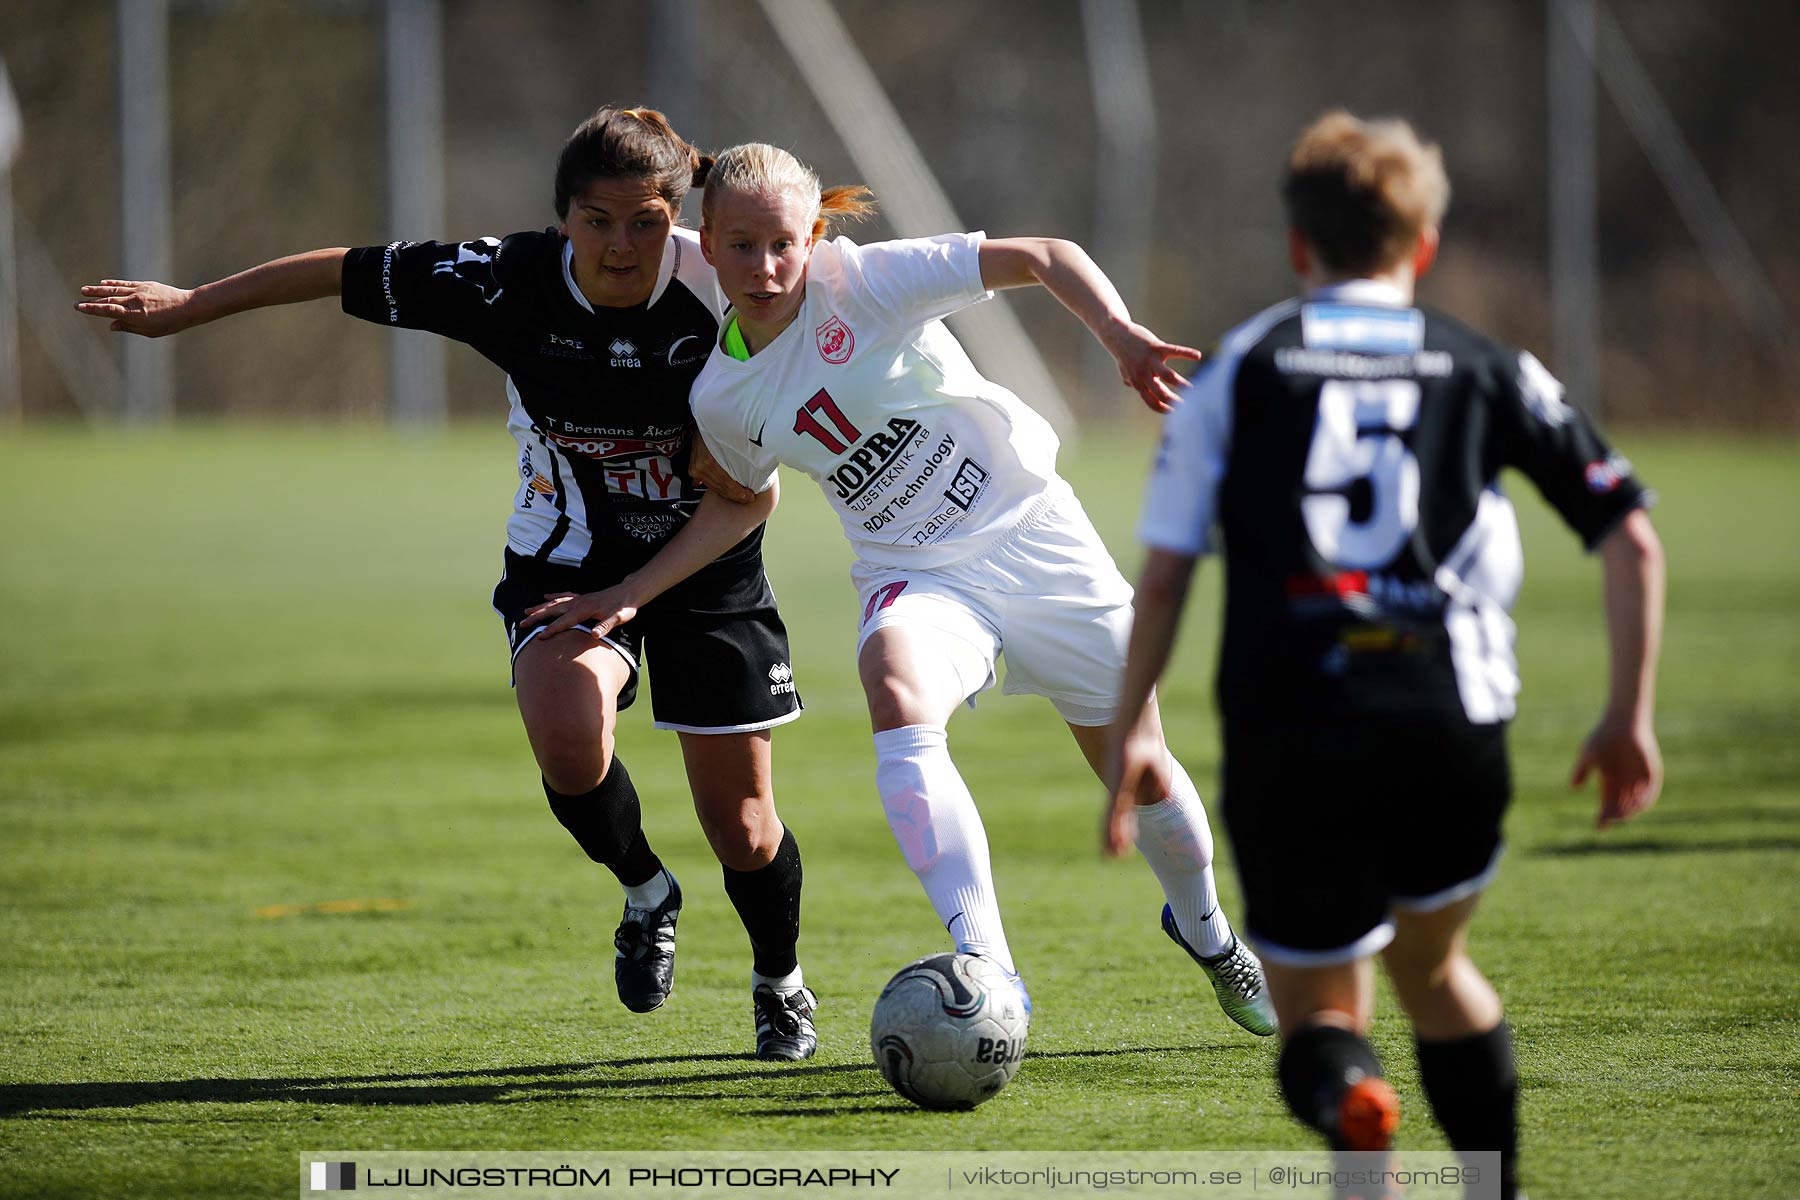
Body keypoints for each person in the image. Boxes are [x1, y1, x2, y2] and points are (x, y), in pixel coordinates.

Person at [73, 106, 823, 1061]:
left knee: (745, 827)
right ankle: (645, 890)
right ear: (562, 220)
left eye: (645, 221)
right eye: (597, 221)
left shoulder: (726, 280)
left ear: (678, 220)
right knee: (566, 733)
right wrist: (191, 305)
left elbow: (808, 388)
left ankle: (779, 981)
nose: (623, 245)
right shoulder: (505, 280)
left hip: (706, 564)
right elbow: (339, 271)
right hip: (569, 556)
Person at [527, 141, 1277, 1037]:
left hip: (1038, 538)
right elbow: (738, 502)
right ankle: (990, 968)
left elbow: (1043, 257)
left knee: (1140, 770)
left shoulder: (871, 283)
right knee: (893, 684)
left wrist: (1121, 337)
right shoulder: (725, 393)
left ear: (814, 236)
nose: (762, 268)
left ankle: (1206, 930)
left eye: (782, 244)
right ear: (706, 243)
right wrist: (632, 593)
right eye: (738, 246)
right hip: (916, 576)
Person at [1106, 111, 1665, 1198]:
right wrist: (1625, 716)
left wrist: (1132, 733)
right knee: (1436, 967)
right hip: (1446, 721)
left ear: (1298, 246)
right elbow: (1631, 535)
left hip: (1293, 720)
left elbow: (1167, 575)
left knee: (1322, 1012)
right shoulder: (1482, 363)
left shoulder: (1239, 373)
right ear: (1423, 247)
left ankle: (1358, 1118)